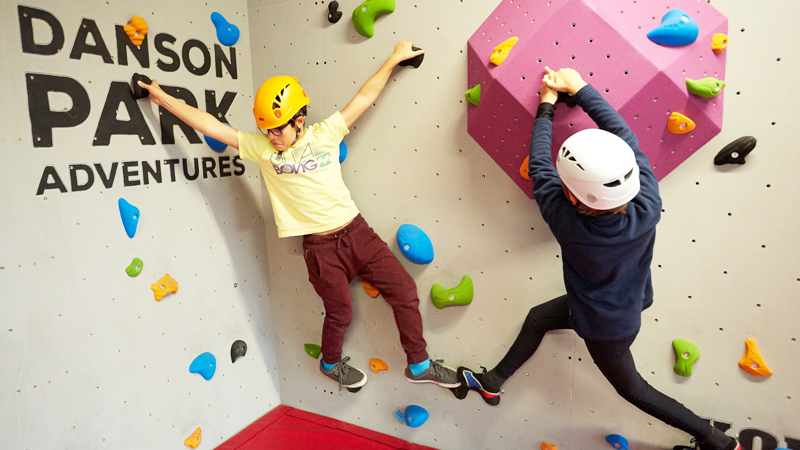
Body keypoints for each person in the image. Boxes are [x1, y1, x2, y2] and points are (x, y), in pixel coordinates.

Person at [137, 41, 459, 393]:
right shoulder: (262, 150)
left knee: (405, 290)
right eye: (266, 131)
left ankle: (420, 364)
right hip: (320, 249)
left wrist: (394, 60)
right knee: (341, 314)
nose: (272, 137)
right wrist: (162, 98)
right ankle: (329, 363)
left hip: (358, 233)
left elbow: (364, 98)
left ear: (299, 122)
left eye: (278, 129)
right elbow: (212, 127)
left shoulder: (324, 134)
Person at [456, 67, 740, 450]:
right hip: (624, 305)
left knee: (633, 389)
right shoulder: (647, 205)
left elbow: (542, 161)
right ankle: (492, 384)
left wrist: (547, 103)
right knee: (539, 318)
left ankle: (715, 440)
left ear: (572, 196)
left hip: (604, 327)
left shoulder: (570, 225)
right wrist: (578, 90)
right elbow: (621, 139)